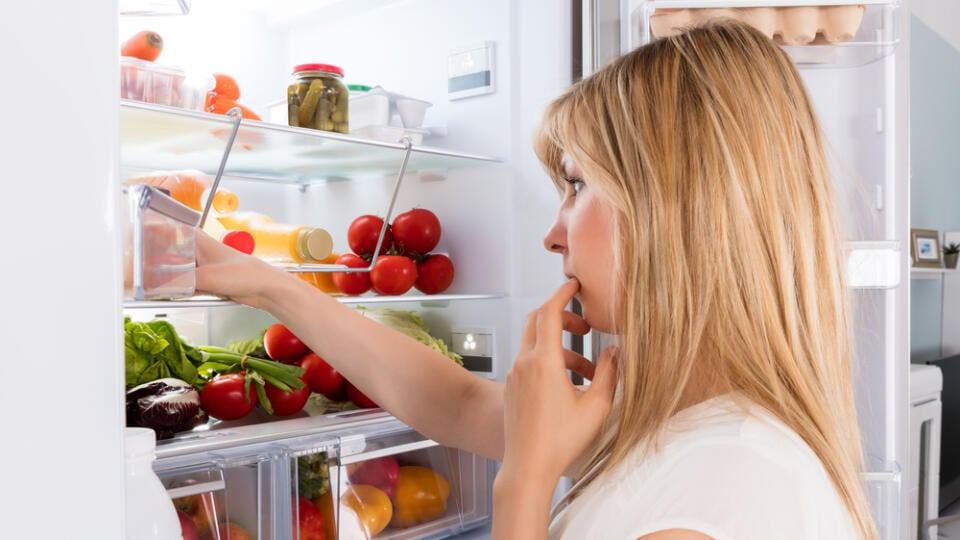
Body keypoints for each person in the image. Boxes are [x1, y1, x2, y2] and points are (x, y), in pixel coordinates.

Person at [195, 19, 874, 540]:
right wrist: (265, 284)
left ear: (679, 208)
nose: (553, 234)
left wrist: (524, 483)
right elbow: (457, 404)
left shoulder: (730, 488)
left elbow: (505, 446)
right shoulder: (681, 421)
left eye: (577, 186)